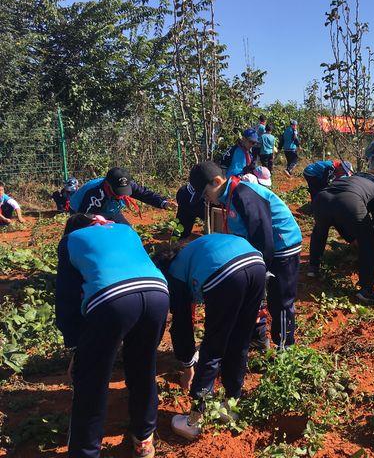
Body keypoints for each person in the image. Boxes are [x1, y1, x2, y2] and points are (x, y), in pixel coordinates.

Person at [55, 214, 169, 458]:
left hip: (112, 300)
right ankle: (144, 441)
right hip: (158, 293)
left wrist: (77, 347)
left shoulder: (70, 240)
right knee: (143, 367)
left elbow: (67, 298)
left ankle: (85, 452)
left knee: (91, 381)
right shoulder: (125, 230)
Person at [154, 234, 266, 440]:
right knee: (240, 340)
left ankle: (194, 421)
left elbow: (182, 325)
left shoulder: (174, 274)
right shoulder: (191, 252)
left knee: (213, 348)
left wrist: (188, 367)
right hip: (256, 263)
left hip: (225, 274)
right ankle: (231, 406)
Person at [188, 161, 302, 349]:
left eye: (206, 194)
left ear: (217, 181)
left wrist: (260, 269)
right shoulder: (229, 197)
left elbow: (262, 235)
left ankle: (285, 347)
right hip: (264, 248)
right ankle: (257, 337)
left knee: (280, 300)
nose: (206, 199)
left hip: (282, 247)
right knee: (254, 295)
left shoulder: (243, 194)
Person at [308, 172, 374, 304]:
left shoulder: (350, 180)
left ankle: (313, 267)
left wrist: (351, 239)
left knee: (320, 231)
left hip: (321, 198)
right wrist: (373, 245)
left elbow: (338, 218)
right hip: (350, 201)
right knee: (366, 242)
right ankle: (367, 290)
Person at [69, 167, 175, 225]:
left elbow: (144, 194)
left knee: (127, 232)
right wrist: (100, 222)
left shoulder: (126, 184)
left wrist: (164, 203)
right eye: (117, 191)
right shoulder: (95, 195)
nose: (121, 195)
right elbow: (82, 218)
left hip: (110, 209)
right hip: (82, 210)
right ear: (108, 184)